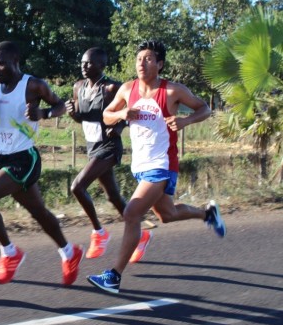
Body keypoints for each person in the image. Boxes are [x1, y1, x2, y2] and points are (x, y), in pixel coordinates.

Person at [87, 40, 226, 294]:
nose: (142, 63)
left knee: (131, 213)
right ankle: (208, 214)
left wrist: (186, 120)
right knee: (167, 214)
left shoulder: (173, 91)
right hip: (140, 165)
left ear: (159, 64)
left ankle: (114, 276)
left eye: (148, 58)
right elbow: (106, 114)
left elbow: (204, 108)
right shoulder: (127, 89)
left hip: (162, 164)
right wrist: (121, 115)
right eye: (139, 58)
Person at [0, 41, 83, 285]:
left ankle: (10, 253)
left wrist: (44, 114)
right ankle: (69, 252)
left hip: (25, 158)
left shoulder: (33, 85)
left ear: (15, 62)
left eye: (0, 64)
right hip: (4, 158)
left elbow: (61, 105)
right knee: (39, 212)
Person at [66, 47, 152, 262]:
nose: (84, 67)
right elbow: (82, 118)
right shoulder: (78, 87)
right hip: (92, 147)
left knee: (77, 186)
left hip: (110, 147)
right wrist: (73, 113)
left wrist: (120, 126)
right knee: (112, 196)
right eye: (82, 63)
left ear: (102, 65)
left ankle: (99, 233)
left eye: (89, 63)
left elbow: (131, 112)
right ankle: (140, 236)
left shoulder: (112, 88)